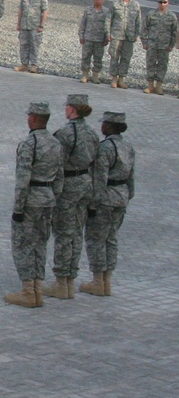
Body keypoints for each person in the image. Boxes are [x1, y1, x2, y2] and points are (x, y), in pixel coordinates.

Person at [4, 101, 64, 309]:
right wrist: (53, 198)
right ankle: (38, 289)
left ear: (33, 118)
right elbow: (60, 177)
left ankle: (28, 291)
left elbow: (23, 180)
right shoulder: (56, 144)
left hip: (31, 200)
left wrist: (18, 208)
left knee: (23, 245)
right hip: (47, 199)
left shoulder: (30, 144)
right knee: (40, 244)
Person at [41, 94, 99, 300]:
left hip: (68, 186)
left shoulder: (65, 133)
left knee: (63, 234)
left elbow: (56, 163)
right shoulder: (92, 133)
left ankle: (60, 283)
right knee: (76, 233)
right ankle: (70, 281)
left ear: (72, 109)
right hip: (85, 184)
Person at [79, 111, 136, 297]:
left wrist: (93, 204)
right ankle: (107, 281)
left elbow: (100, 178)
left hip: (105, 198)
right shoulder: (127, 147)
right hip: (121, 196)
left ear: (110, 126)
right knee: (111, 239)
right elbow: (131, 177)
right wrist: (128, 196)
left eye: (104, 123)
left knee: (96, 239)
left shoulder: (105, 148)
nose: (101, 126)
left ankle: (97, 281)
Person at [141, 0, 177, 95]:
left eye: (164, 2)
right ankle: (150, 85)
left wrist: (171, 45)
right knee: (150, 64)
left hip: (164, 46)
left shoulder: (171, 16)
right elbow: (144, 28)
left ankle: (159, 86)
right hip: (152, 44)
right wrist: (144, 42)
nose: (162, 4)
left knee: (162, 65)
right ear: (158, 3)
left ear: (168, 3)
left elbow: (174, 32)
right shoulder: (151, 14)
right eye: (160, 2)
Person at [108, 0, 141, 88]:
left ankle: (121, 79)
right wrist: (108, 33)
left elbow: (138, 21)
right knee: (114, 57)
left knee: (126, 58)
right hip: (116, 35)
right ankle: (114, 78)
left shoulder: (135, 5)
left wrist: (136, 34)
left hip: (129, 37)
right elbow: (108, 20)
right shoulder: (115, 5)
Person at [15, 0, 48, 73]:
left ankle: (34, 65)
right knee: (23, 45)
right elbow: (21, 10)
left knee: (34, 45)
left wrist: (41, 25)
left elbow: (45, 11)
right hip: (25, 25)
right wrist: (18, 23)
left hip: (35, 26)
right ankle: (24, 64)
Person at [78, 0, 110, 84]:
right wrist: (81, 35)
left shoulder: (106, 12)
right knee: (85, 57)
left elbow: (107, 26)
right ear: (93, 0)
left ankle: (95, 75)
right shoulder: (88, 10)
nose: (98, 1)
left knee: (98, 58)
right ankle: (85, 74)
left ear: (103, 0)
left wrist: (106, 38)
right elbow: (83, 23)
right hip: (88, 38)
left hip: (99, 39)